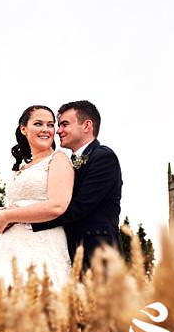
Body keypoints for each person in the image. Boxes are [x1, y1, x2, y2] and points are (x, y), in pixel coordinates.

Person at [0, 105, 74, 288]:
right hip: (8, 248)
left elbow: (57, 206)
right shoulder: (23, 166)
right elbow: (21, 203)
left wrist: (8, 216)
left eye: (50, 125)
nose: (46, 129)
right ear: (24, 129)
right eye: (38, 124)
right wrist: (0, 214)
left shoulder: (58, 159)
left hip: (42, 244)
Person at [31, 100, 122, 270]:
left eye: (64, 124)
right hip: (66, 250)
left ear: (87, 125)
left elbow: (78, 207)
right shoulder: (66, 163)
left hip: (97, 253)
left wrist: (27, 222)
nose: (58, 131)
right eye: (58, 125)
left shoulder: (103, 157)